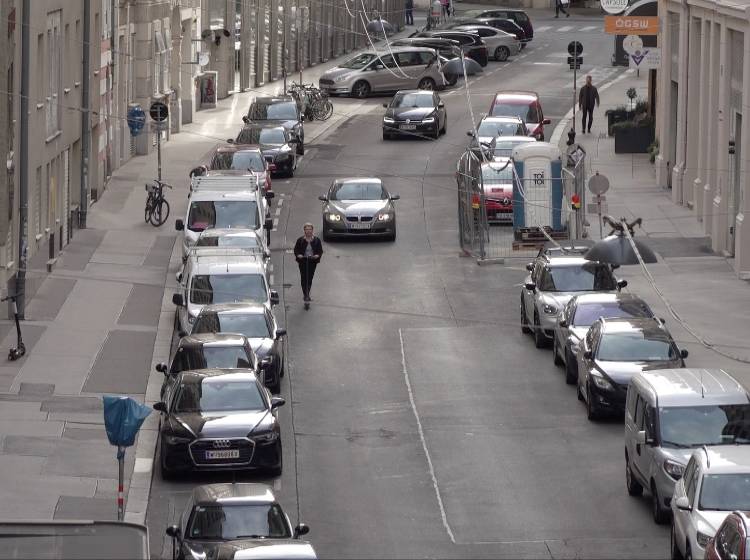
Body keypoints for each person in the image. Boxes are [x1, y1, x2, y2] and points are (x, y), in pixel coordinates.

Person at [294, 223, 323, 304]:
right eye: (306, 229)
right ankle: (306, 294)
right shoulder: (300, 240)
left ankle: (307, 293)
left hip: (312, 261)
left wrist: (317, 255)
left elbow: (320, 251)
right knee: (304, 278)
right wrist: (298, 255)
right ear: (304, 231)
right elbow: (296, 250)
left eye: (310, 229)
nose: (308, 231)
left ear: (312, 230)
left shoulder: (316, 240)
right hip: (303, 261)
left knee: (310, 278)